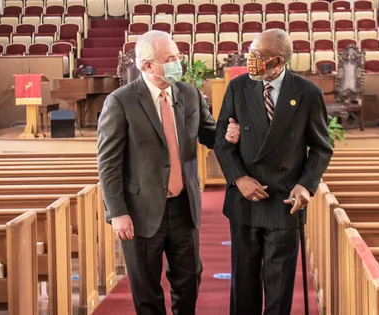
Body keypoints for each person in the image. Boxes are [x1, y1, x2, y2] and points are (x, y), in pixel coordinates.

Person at [97, 30, 218, 315]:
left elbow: (212, 136)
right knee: (146, 290)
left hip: (183, 206)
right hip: (140, 211)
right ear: (147, 66)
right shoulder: (120, 102)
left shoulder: (189, 94)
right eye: (170, 59)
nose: (178, 63)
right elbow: (108, 163)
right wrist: (117, 212)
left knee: (189, 279)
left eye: (178, 56)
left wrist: (236, 134)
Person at [214, 29, 333, 315]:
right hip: (244, 201)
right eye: (250, 52)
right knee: (243, 284)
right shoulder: (238, 87)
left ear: (278, 60)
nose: (250, 59)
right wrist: (239, 178)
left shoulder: (306, 93)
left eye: (257, 55)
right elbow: (221, 138)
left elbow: (321, 148)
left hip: (284, 202)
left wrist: (306, 185)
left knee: (279, 288)